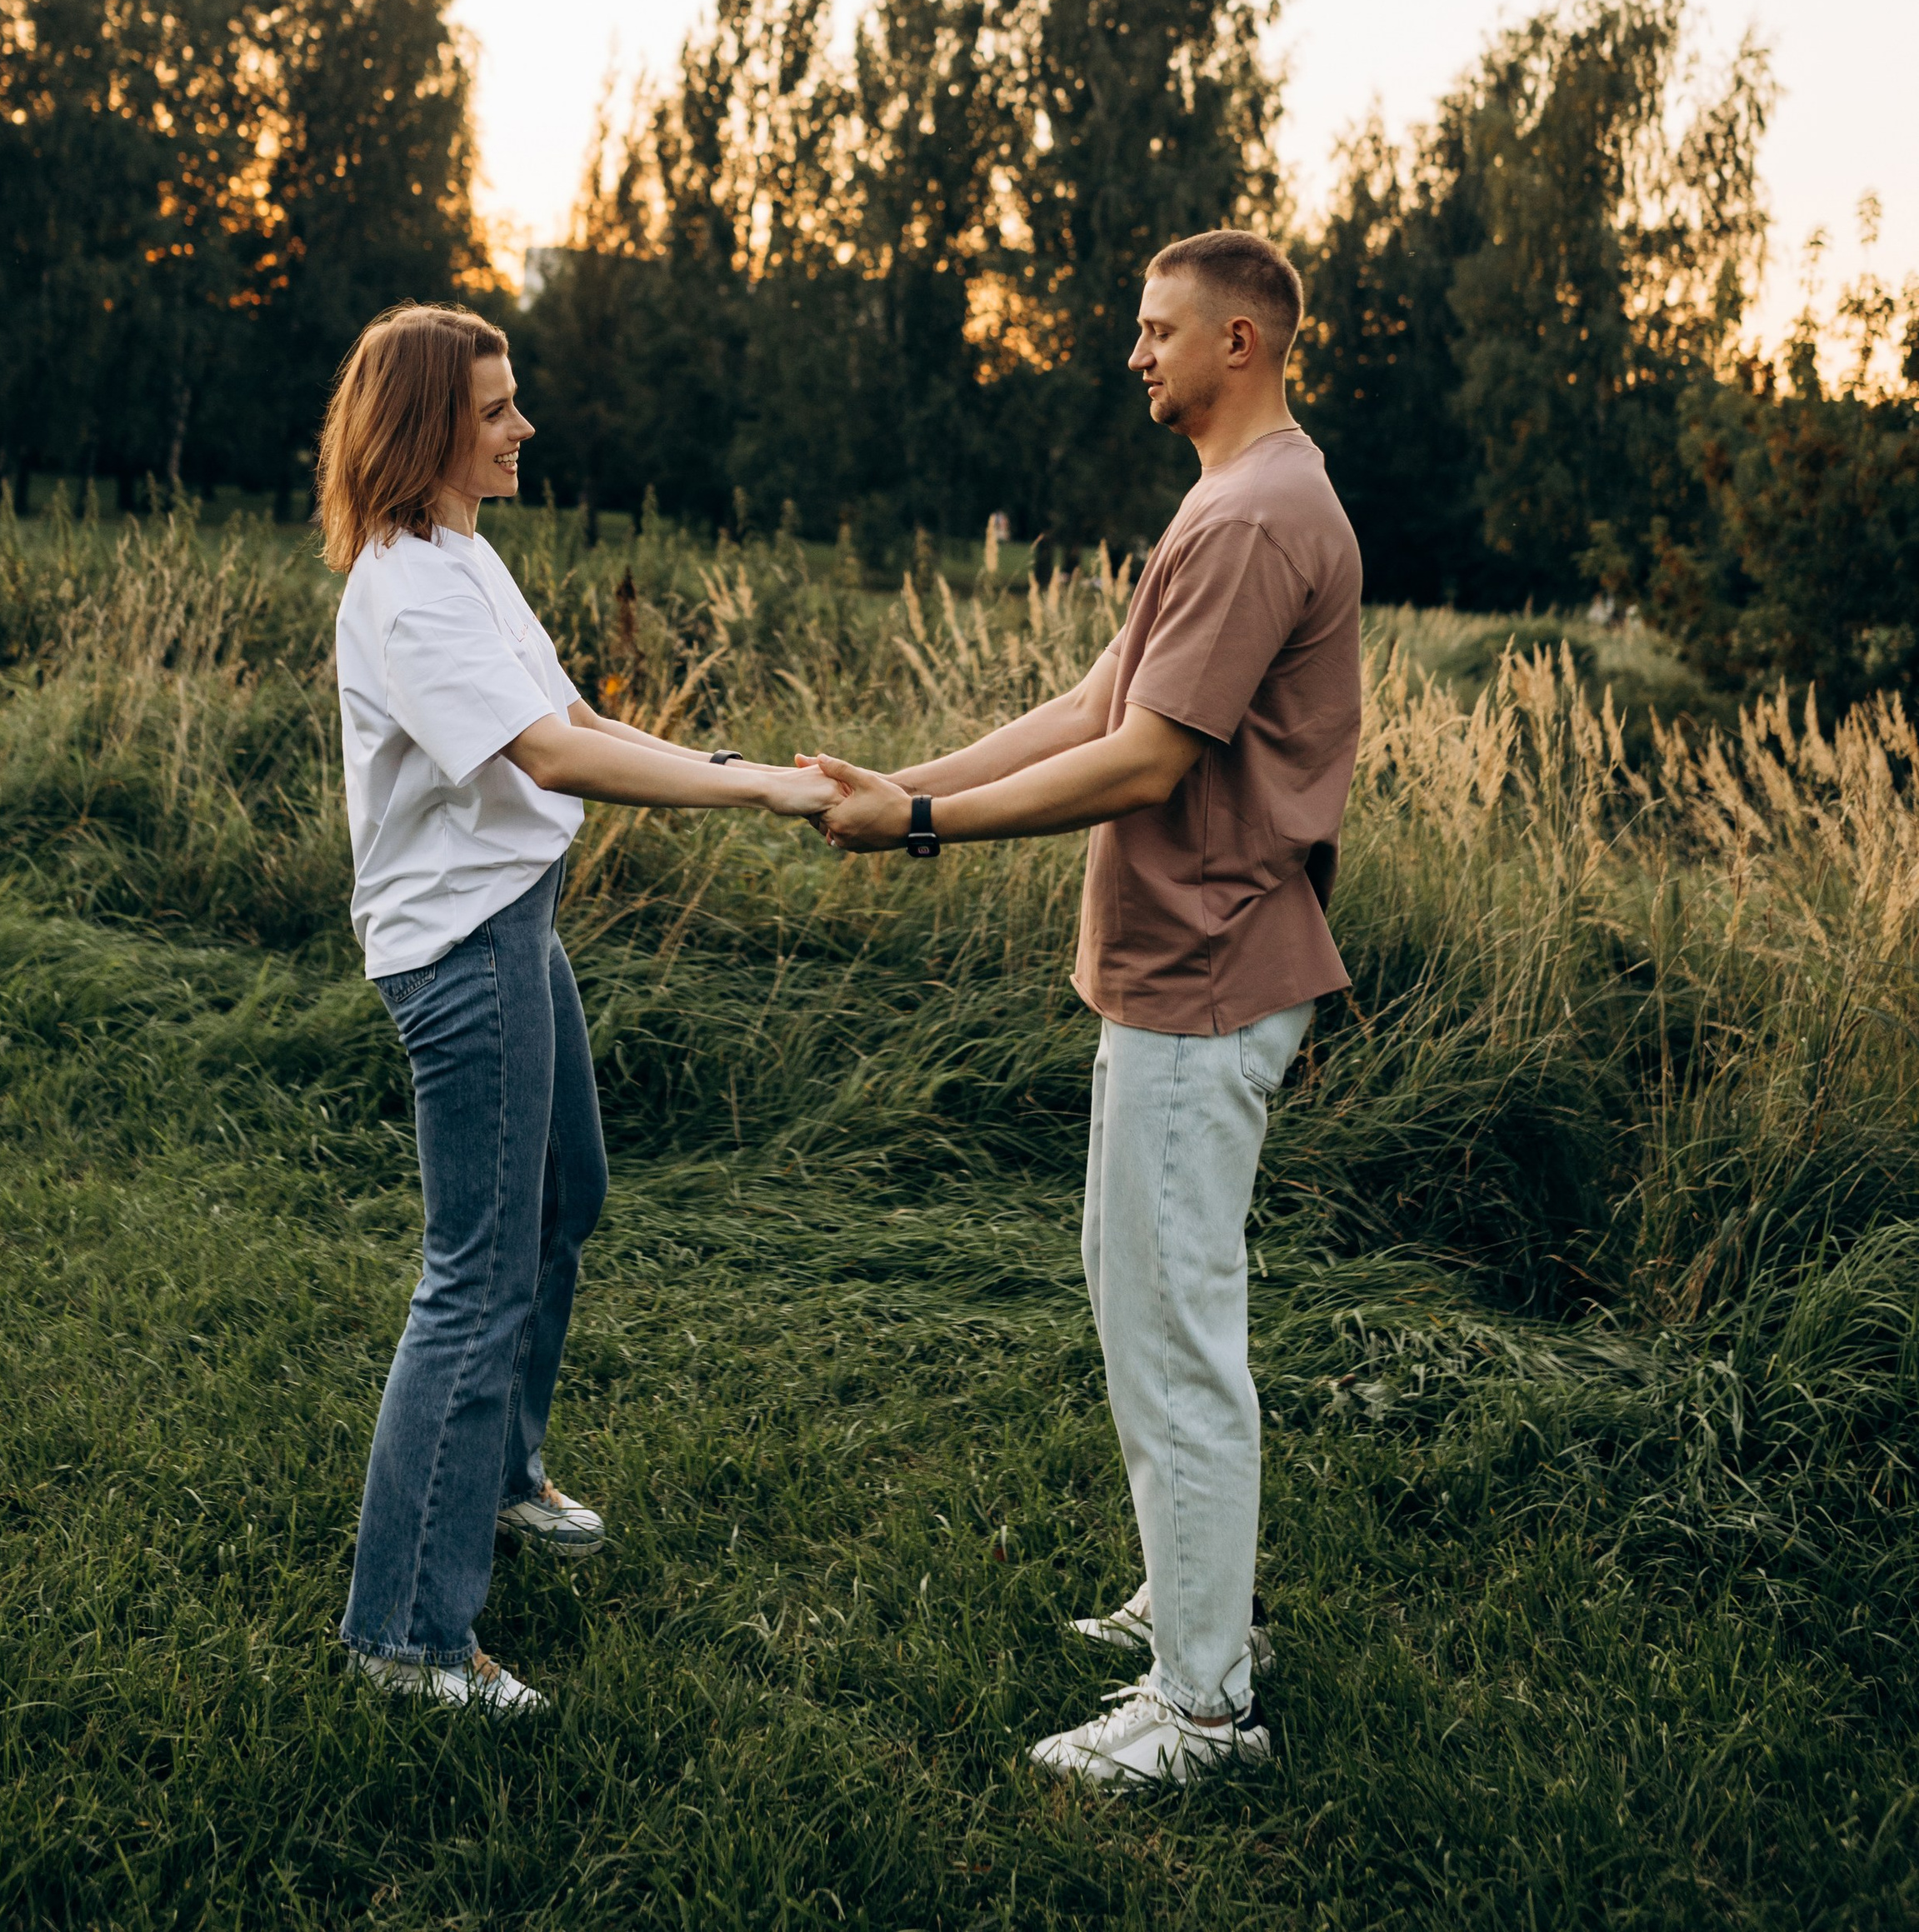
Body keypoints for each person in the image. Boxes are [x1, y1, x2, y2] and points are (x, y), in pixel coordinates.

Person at [812, 230, 1361, 1787]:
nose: (1134, 352)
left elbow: (1140, 763)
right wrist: (906, 782)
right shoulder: (1229, 501)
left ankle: (1203, 1713)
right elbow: (1097, 704)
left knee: (1175, 1333)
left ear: (1240, 341)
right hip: (1178, 970)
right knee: (1140, 1295)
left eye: (1157, 328)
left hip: (1205, 973)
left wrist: (921, 833)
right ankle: (1191, 1612)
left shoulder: (1254, 519)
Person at [320, 302, 835, 1719]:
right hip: (465, 950)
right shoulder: (407, 590)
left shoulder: (463, 559)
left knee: (563, 1204)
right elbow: (551, 755)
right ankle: (406, 1636)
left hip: (516, 926)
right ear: (432, 427)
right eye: (497, 409)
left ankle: (493, 1479)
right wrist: (759, 794)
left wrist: (737, 768)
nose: (523, 426)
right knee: (476, 1272)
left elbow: (583, 721)